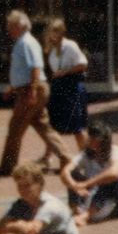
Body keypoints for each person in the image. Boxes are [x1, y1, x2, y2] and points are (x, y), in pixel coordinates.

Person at [0, 11, 69, 177]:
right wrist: (12, 87)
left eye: (12, 26)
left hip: (31, 89)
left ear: (23, 26)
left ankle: (8, 166)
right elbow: (23, 71)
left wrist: (32, 91)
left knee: (15, 127)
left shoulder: (26, 43)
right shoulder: (23, 43)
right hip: (31, 88)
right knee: (43, 126)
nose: (9, 30)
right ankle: (66, 158)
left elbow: (35, 67)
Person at [60, 120, 118, 226]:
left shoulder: (116, 152)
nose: (89, 139)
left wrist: (86, 184)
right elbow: (65, 171)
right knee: (73, 174)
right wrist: (74, 186)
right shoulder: (87, 154)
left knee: (108, 179)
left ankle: (86, 216)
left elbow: (114, 173)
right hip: (94, 196)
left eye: (93, 137)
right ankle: (76, 210)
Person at [43, 18, 89, 163]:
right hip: (59, 89)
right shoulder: (52, 50)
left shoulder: (70, 46)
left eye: (54, 32)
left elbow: (83, 63)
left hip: (71, 89)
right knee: (53, 125)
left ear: (61, 32)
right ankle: (47, 156)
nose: (51, 35)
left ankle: (86, 157)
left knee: (77, 127)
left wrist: (65, 71)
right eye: (50, 32)